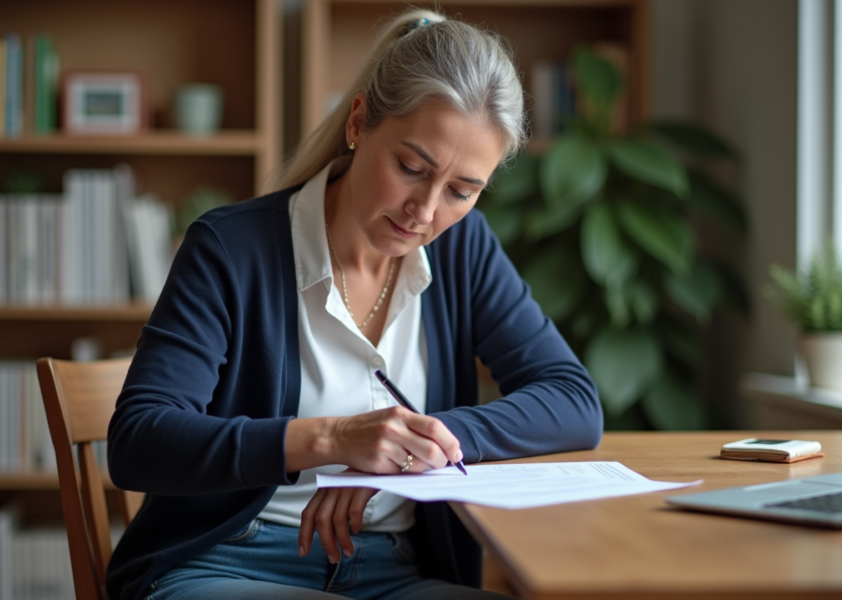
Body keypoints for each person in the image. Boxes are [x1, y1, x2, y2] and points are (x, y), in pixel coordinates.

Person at [106, 8, 602, 600]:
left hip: (395, 570)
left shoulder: (463, 248)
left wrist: (410, 446)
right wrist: (336, 439)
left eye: (461, 192)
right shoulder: (232, 248)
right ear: (359, 121)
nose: (425, 211)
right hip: (229, 563)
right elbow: (139, 440)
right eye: (411, 168)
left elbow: (573, 401)